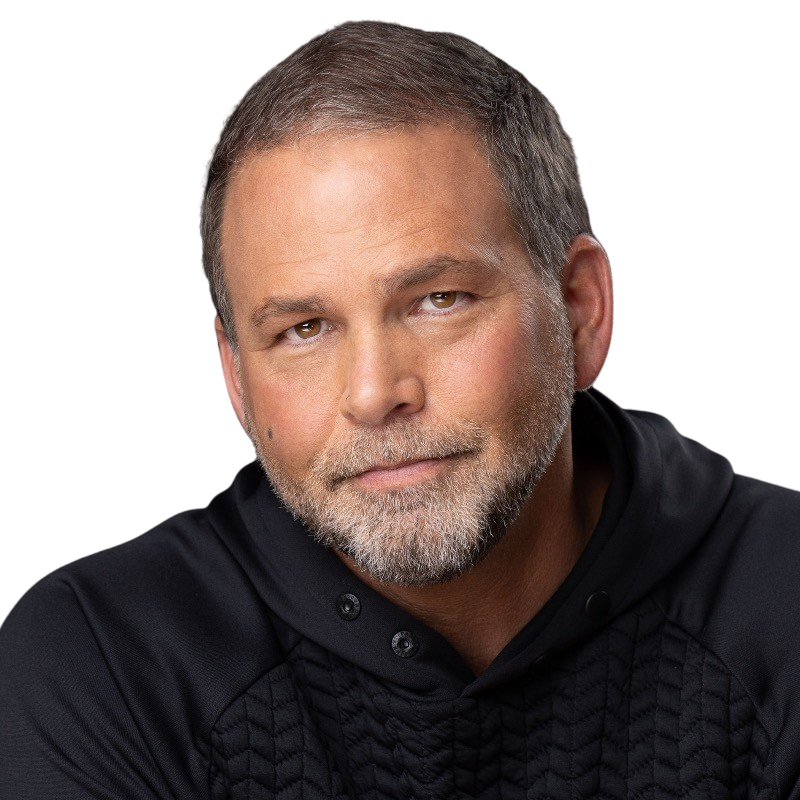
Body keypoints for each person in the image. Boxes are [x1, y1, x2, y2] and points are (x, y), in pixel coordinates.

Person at [1, 19, 798, 799]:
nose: (375, 394)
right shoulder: (101, 657)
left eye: (439, 300)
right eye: (304, 329)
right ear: (236, 377)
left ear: (579, 310)